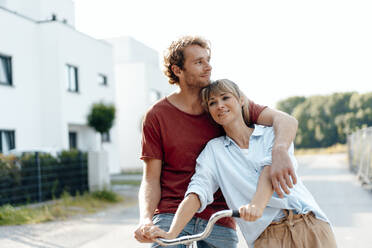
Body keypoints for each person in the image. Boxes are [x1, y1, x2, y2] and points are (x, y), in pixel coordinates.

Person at [134, 36, 298, 248]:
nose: (208, 67)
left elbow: (285, 120)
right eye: (198, 62)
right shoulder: (157, 115)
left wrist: (280, 151)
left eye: (208, 60)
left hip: (218, 216)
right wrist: (145, 219)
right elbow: (150, 179)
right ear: (177, 70)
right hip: (171, 212)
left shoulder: (223, 103)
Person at [148, 79, 337, 248]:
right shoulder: (214, 151)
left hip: (310, 223)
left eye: (225, 98)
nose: (219, 105)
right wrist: (172, 233)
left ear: (241, 100)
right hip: (268, 236)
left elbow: (270, 169)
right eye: (212, 103)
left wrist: (257, 205)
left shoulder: (271, 134)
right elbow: (197, 191)